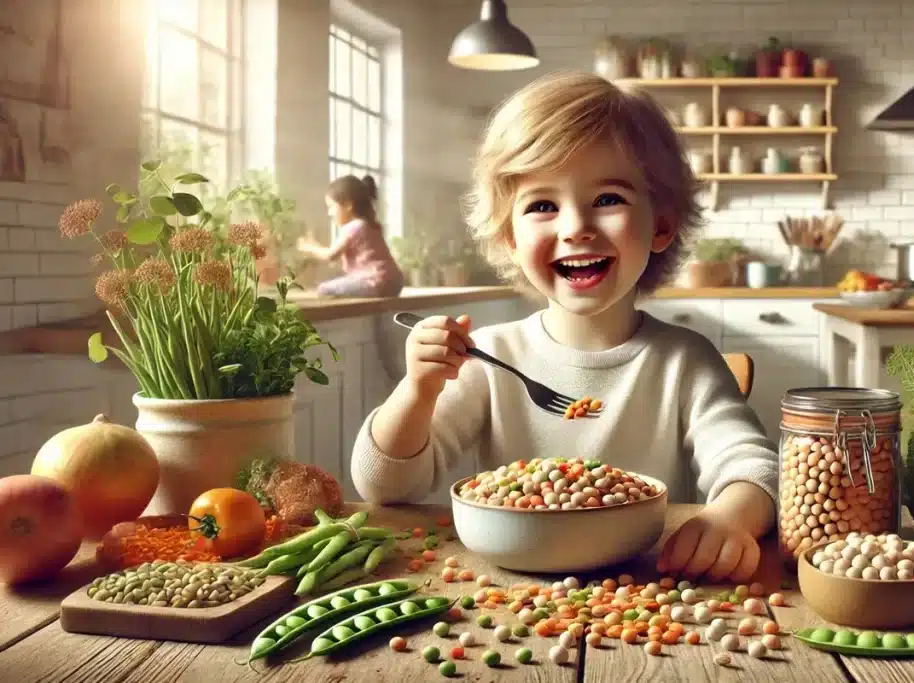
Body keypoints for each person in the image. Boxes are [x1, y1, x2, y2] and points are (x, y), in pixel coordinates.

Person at [350, 71, 778, 582]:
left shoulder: (684, 362)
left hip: (646, 584)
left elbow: (755, 467)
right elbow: (386, 486)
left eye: (607, 199)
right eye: (543, 206)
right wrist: (417, 390)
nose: (575, 227)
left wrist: (726, 518)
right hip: (509, 590)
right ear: (510, 236)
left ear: (661, 223)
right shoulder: (489, 356)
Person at [296, 174, 404, 298]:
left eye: (331, 207)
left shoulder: (353, 226)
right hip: (395, 282)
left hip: (375, 281)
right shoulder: (369, 225)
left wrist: (309, 247)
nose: (329, 213)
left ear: (348, 205)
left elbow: (330, 255)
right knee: (342, 283)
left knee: (324, 289)